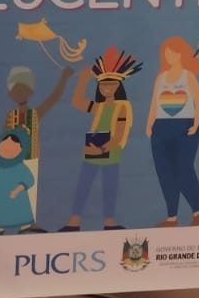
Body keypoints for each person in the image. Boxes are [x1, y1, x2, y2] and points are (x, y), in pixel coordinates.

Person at [58, 46, 141, 232]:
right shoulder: (100, 107)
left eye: (111, 85)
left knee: (109, 186)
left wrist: (102, 149)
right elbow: (77, 101)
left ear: (118, 86)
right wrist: (83, 79)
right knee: (83, 185)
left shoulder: (122, 107)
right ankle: (74, 220)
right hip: (92, 151)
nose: (106, 88)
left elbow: (119, 134)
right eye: (103, 85)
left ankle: (109, 221)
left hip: (110, 153)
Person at [0, 64, 73, 231]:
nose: (20, 93)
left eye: (23, 89)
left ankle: (28, 222)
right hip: (13, 161)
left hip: (30, 158)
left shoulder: (34, 114)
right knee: (13, 191)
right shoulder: (11, 116)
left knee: (29, 191)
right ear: (10, 94)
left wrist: (64, 77)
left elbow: (54, 97)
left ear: (30, 92)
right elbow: (4, 135)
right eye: (16, 90)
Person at [145, 36, 199, 227]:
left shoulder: (188, 76)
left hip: (184, 127)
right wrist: (149, 125)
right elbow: (154, 103)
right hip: (160, 128)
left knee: (183, 170)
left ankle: (198, 211)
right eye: (166, 53)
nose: (169, 56)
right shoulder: (160, 78)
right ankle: (171, 216)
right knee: (164, 172)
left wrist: (195, 124)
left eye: (173, 52)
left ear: (181, 54)